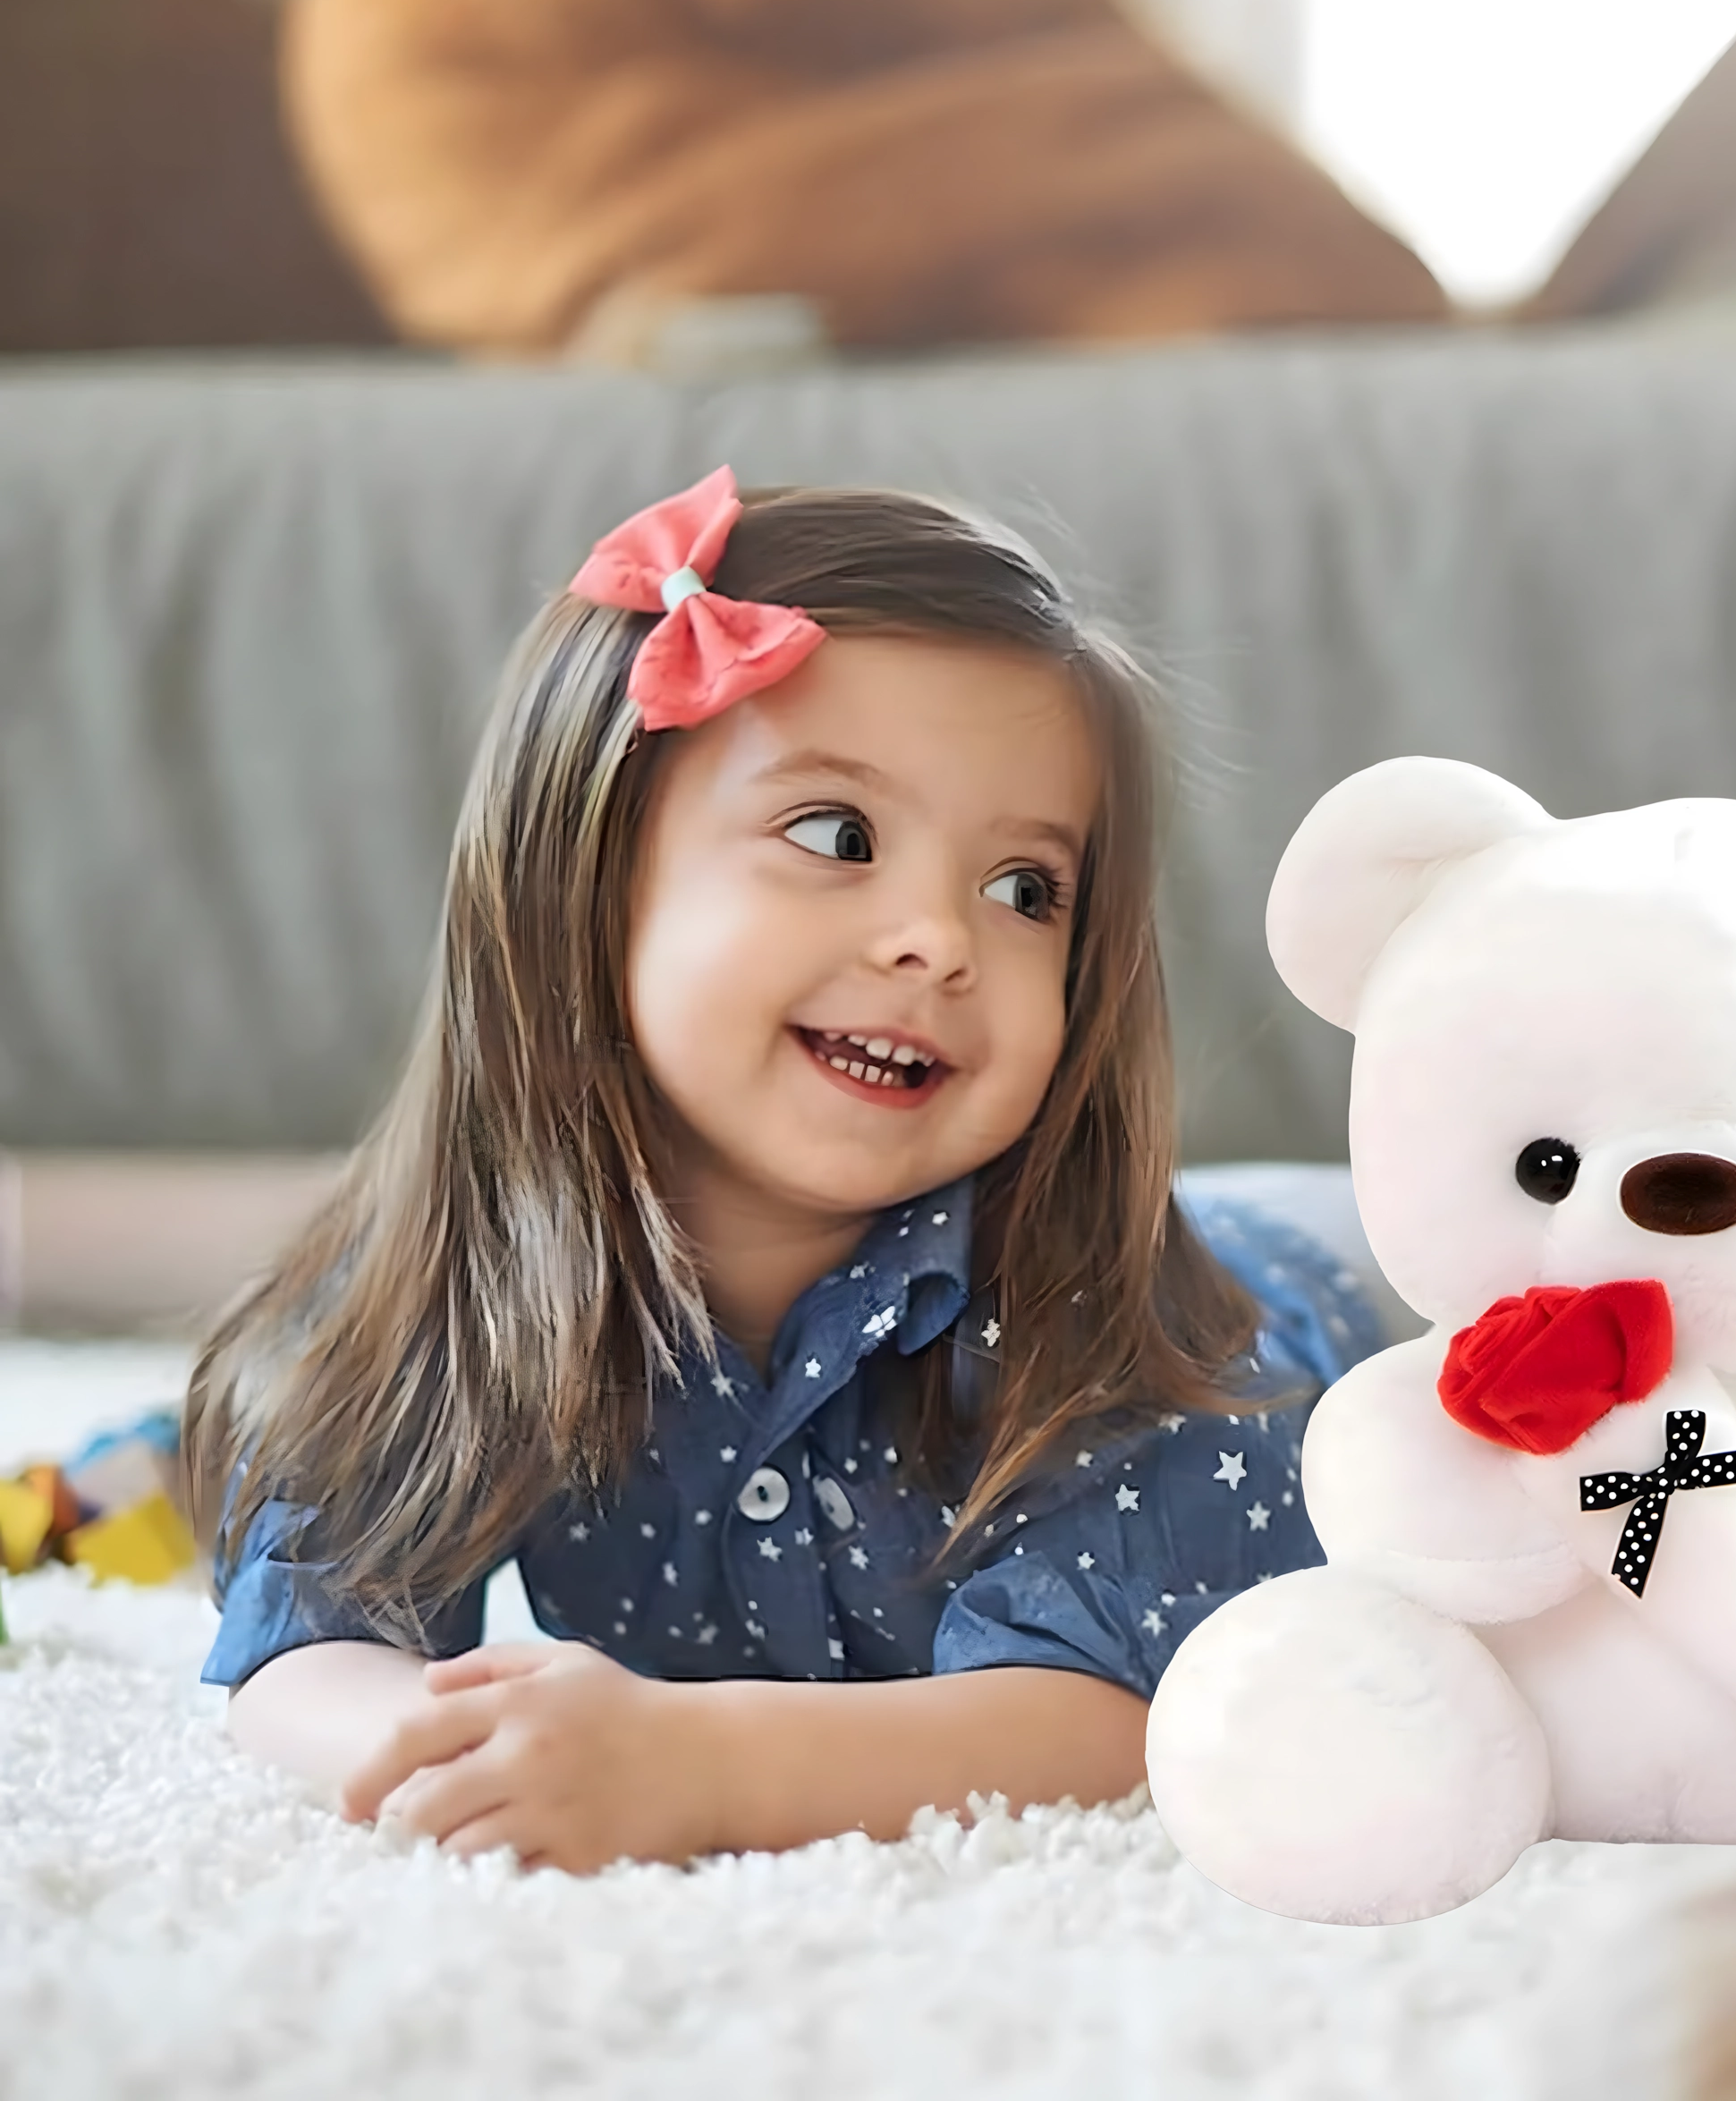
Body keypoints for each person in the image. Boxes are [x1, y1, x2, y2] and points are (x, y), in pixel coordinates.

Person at [184, 473, 1383, 1874]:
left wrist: (704, 1767)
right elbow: (304, 1653)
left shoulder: (1122, 1330)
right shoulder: (443, 1289)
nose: (939, 940)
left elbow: (1122, 1717)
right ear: (583, 872)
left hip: (1345, 1277)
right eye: (836, 836)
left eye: (1024, 891)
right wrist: (469, 1755)